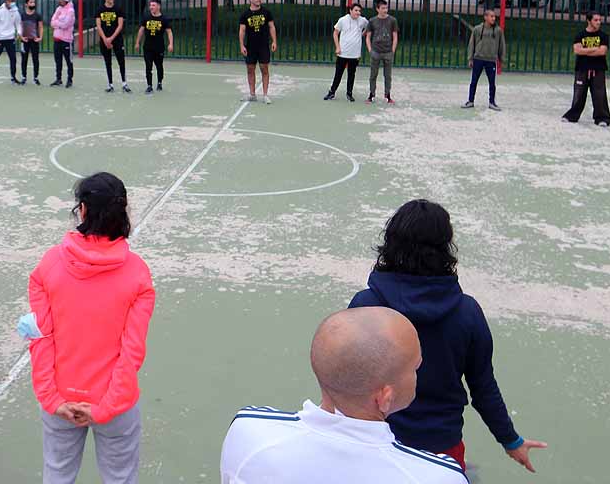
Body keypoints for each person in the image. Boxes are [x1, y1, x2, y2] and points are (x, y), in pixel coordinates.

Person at [349, 200, 547, 473]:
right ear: (444, 248)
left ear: (391, 243)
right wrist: (511, 441)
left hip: (375, 446)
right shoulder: (467, 312)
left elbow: (345, 379)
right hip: (442, 450)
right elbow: (483, 387)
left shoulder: (366, 305)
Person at [220, 308, 467, 484]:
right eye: (415, 367)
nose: (419, 370)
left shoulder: (250, 431)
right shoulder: (440, 476)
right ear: (384, 397)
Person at [23, 172, 155, 484]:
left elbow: (38, 338)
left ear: (82, 210)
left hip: (61, 397)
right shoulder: (137, 275)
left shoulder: (48, 267)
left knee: (57, 476)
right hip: (115, 404)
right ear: (122, 212)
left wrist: (52, 400)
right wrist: (105, 408)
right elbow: (132, 352)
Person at [562, 11, 610, 127]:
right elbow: (577, 50)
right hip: (582, 69)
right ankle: (572, 116)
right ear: (589, 21)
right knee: (579, 93)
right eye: (596, 20)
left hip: (598, 69)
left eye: (600, 20)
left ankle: (602, 118)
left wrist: (586, 50)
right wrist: (594, 49)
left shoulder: (603, 36)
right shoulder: (580, 35)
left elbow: (602, 51)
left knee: (599, 94)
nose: (598, 22)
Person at [325, 3, 369, 102]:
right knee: (338, 73)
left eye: (359, 11)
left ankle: (349, 94)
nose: (358, 13)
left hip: (355, 54)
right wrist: (337, 47)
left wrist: (363, 33)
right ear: (350, 10)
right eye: (356, 10)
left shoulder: (362, 21)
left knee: (351, 74)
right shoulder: (343, 20)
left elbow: (369, 27)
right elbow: (335, 33)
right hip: (343, 53)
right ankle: (332, 92)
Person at [238, 0, 277, 103]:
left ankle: (265, 95)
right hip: (250, 46)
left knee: (264, 68)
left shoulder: (266, 12)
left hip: (263, 45)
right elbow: (242, 31)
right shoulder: (245, 15)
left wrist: (274, 41)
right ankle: (252, 94)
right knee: (250, 69)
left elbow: (272, 27)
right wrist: (242, 46)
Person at [463, 10, 505, 111]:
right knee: (474, 81)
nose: (493, 18)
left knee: (492, 83)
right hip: (478, 59)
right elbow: (471, 44)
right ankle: (470, 101)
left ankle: (492, 102)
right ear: (485, 17)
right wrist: (470, 58)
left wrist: (501, 59)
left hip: (491, 60)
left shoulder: (498, 31)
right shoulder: (477, 29)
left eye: (494, 17)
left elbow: (501, 45)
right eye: (491, 16)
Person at [134, 0, 173, 94]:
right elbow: (141, 30)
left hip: (159, 47)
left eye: (153, 5)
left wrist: (171, 44)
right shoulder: (146, 17)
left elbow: (169, 32)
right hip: (148, 47)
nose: (151, 7)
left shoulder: (164, 19)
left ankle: (159, 82)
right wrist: (137, 42)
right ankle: (149, 86)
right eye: (150, 5)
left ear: (158, 7)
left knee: (159, 66)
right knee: (148, 67)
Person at [96, 0, 131, 93]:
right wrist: (105, 39)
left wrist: (111, 38)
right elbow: (98, 26)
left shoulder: (118, 9)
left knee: (121, 61)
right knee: (108, 62)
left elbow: (120, 26)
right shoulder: (100, 9)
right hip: (104, 40)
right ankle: (110, 84)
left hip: (117, 40)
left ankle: (124, 83)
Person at [366, 0, 399, 105]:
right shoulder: (372, 21)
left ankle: (387, 95)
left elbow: (395, 36)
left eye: (386, 8)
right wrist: (370, 50)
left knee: (388, 75)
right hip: (375, 51)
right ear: (377, 9)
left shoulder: (392, 20)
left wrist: (392, 50)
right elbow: (368, 37)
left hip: (388, 52)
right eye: (383, 8)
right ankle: (371, 95)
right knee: (373, 75)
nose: (385, 10)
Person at [50, 0, 76, 89]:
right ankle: (58, 79)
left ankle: (69, 80)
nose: (59, 1)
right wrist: (59, 23)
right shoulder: (58, 9)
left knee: (69, 61)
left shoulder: (70, 11)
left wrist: (58, 23)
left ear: (65, 0)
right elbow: (52, 22)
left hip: (66, 40)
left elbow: (66, 25)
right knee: (58, 60)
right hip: (57, 39)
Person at [20, 0, 45, 86]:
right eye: (30, 2)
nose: (33, 4)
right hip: (25, 41)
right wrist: (21, 37)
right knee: (24, 59)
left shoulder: (37, 15)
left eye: (33, 2)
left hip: (34, 41)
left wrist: (40, 37)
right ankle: (23, 77)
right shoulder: (22, 15)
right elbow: (20, 27)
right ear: (26, 4)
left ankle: (35, 77)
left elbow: (41, 27)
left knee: (35, 59)